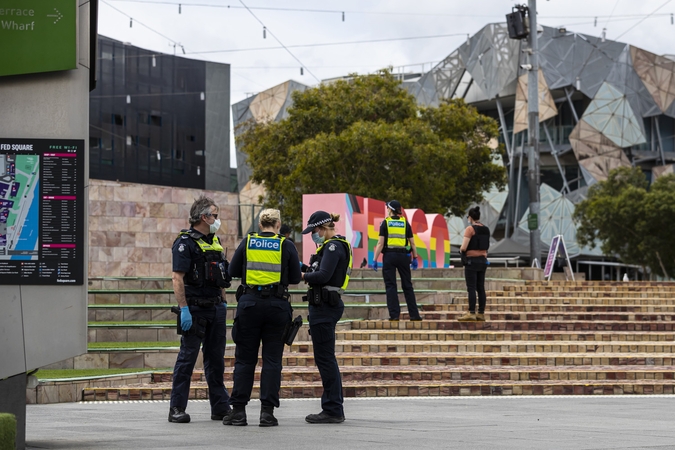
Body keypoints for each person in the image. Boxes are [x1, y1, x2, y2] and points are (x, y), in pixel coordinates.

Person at [223, 209, 301, 427]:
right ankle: (267, 413)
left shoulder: (248, 242)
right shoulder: (285, 244)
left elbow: (231, 271)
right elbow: (295, 277)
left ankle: (238, 411)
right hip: (277, 307)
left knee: (245, 360)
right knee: (272, 360)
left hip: (250, 305)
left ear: (260, 224)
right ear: (278, 223)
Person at [169, 195, 232, 423]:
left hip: (215, 308)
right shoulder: (185, 243)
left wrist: (223, 302)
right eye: (215, 215)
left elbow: (221, 277)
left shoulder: (214, 241)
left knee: (216, 361)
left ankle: (220, 407)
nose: (217, 219)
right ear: (204, 217)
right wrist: (184, 309)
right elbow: (177, 278)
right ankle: (176, 408)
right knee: (187, 359)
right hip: (194, 310)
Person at [301, 211, 352, 424]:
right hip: (323, 306)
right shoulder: (331, 246)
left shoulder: (333, 247)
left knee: (325, 359)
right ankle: (333, 406)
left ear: (322, 228)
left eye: (314, 231)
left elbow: (323, 276)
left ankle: (332, 408)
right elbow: (319, 271)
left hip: (325, 308)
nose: (313, 235)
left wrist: (301, 275)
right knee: (325, 358)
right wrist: (302, 267)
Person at [371, 200, 422, 322]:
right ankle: (414, 315)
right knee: (407, 286)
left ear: (390, 209)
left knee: (391, 286)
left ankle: (394, 315)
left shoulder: (385, 223)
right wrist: (415, 258)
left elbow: (380, 243)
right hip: (404, 256)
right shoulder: (405, 223)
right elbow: (413, 243)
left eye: (387, 208)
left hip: (389, 256)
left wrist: (375, 259)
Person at [458, 206, 490, 322]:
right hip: (483, 261)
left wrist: (461, 251)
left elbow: (464, 247)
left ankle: (471, 312)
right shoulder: (486, 229)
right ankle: (481, 313)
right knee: (480, 288)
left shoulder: (470, 229)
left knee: (471, 287)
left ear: (470, 217)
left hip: (472, 262)